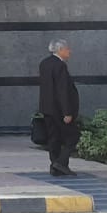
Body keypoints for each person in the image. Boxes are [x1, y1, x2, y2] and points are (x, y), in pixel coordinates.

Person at [39, 38, 80, 177]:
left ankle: (55, 167)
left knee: (54, 138)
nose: (70, 51)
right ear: (60, 50)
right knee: (73, 136)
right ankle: (60, 163)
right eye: (67, 49)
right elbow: (62, 90)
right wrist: (67, 112)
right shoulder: (60, 66)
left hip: (47, 108)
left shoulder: (44, 63)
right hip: (59, 110)